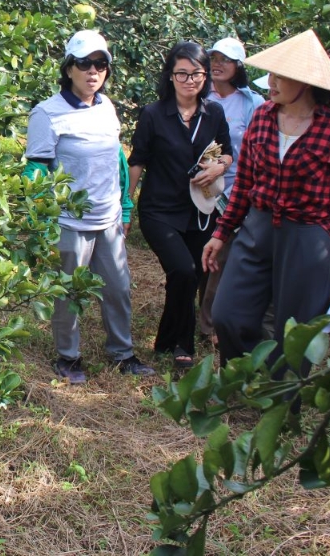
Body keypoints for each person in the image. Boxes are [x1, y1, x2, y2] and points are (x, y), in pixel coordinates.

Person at [204, 29, 330, 365]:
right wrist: (222, 232)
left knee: (294, 333)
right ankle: (241, 380)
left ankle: (281, 403)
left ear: (305, 82)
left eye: (280, 76)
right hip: (257, 228)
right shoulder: (263, 115)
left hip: (307, 236)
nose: (271, 82)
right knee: (227, 314)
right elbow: (245, 183)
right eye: (272, 74)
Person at [24, 30, 155, 383]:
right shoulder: (47, 114)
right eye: (84, 63)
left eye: (100, 64)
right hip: (69, 222)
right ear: (68, 69)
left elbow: (118, 163)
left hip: (108, 218)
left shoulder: (107, 107)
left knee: (118, 288)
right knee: (68, 294)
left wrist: (125, 208)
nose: (93, 71)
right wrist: (41, 220)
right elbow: (35, 171)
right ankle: (68, 357)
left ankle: (123, 353)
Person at [129, 41, 233, 369]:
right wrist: (125, 206)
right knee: (184, 270)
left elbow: (227, 151)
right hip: (159, 210)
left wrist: (221, 166)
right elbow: (138, 162)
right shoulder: (153, 114)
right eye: (182, 73)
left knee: (189, 274)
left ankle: (164, 340)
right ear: (170, 76)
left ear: (206, 77)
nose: (190, 80)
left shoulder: (213, 113)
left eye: (197, 74)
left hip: (200, 212)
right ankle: (183, 345)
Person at [197, 37, 264, 342]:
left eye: (226, 59)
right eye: (214, 58)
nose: (218, 64)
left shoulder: (253, 103)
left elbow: (257, 151)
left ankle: (210, 322)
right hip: (196, 188)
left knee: (220, 257)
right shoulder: (197, 95)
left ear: (239, 66)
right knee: (196, 255)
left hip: (234, 189)